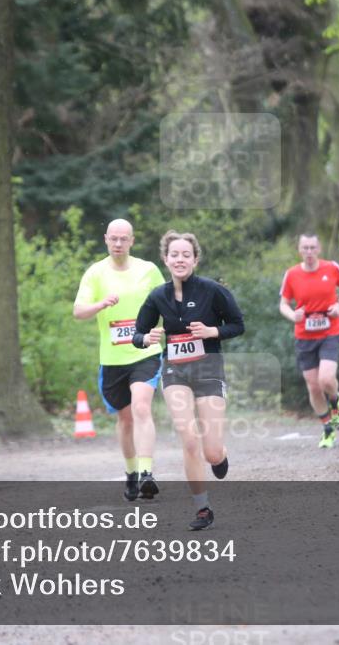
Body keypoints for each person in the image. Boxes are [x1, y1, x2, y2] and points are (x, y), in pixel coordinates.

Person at [133, 231, 244, 531]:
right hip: (176, 372)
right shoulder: (158, 295)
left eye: (185, 255)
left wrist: (213, 332)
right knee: (189, 440)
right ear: (165, 259)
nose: (179, 260)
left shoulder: (212, 291)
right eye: (174, 255)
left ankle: (219, 455)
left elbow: (238, 324)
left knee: (210, 450)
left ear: (195, 259)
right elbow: (137, 334)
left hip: (208, 370)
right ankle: (203, 509)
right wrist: (147, 338)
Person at [74, 219, 165, 502]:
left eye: (123, 239)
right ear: (105, 239)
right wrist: (99, 305)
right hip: (112, 359)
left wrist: (164, 329)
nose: (118, 243)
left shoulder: (148, 270)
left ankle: (147, 473)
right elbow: (78, 311)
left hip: (145, 354)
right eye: (113, 238)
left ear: (132, 241)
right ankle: (131, 473)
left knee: (141, 406)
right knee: (125, 420)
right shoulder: (95, 273)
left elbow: (168, 303)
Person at [279, 234, 339, 449]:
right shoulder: (292, 274)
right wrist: (294, 316)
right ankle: (328, 429)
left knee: (326, 380)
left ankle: (335, 401)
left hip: (330, 331)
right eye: (305, 248)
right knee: (313, 387)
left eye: (312, 247)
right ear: (299, 250)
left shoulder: (331, 268)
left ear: (319, 249)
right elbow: (283, 303)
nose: (309, 252)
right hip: (304, 335)